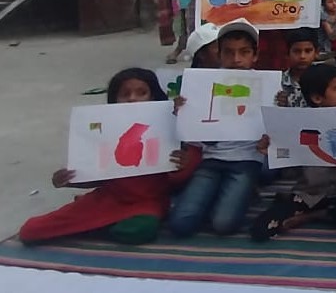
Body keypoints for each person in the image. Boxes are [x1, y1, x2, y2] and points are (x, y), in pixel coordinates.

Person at [19, 69, 200, 245]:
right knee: (30, 230)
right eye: (125, 94)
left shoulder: (170, 125)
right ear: (114, 99)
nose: (132, 99)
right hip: (108, 198)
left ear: (154, 97)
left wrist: (183, 165)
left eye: (142, 93)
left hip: (147, 203)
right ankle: (99, 225)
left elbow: (179, 177)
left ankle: (96, 226)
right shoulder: (105, 129)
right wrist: (68, 180)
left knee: (138, 230)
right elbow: (96, 173)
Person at [169, 19, 268, 237]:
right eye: (229, 53)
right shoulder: (204, 84)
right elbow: (192, 137)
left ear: (255, 55)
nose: (236, 59)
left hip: (246, 161)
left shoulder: (266, 85)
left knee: (223, 224)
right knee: (180, 224)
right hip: (211, 159)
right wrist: (181, 113)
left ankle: (242, 193)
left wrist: (275, 124)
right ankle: (220, 196)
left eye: (244, 52)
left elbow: (277, 135)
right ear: (219, 55)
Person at [251, 64, 336, 241]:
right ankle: (315, 212)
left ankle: (314, 215)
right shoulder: (298, 124)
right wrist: (270, 152)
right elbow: (291, 167)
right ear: (317, 98)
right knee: (261, 230)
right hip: (309, 193)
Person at [275, 28, 318, 108]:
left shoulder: (325, 80)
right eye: (297, 51)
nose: (302, 56)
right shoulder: (277, 82)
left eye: (308, 51)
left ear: (316, 53)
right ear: (287, 54)